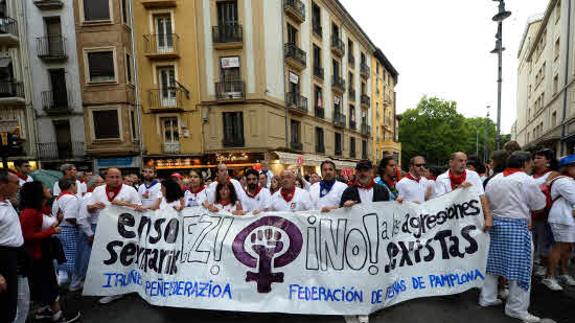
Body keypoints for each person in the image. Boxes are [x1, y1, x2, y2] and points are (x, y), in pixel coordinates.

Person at [479, 151, 545, 323]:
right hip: (516, 227)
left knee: (492, 265)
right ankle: (516, 308)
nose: (532, 166)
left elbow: (488, 201)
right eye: (531, 163)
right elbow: (539, 205)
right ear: (524, 164)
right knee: (521, 269)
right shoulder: (526, 180)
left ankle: (487, 297)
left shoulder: (495, 179)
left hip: (496, 226)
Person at [20, 182, 80, 323]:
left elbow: (45, 227)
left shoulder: (43, 208)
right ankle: (59, 316)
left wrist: (56, 223)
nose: (49, 189)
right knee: (48, 283)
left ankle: (44, 311)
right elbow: (28, 236)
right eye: (45, 188)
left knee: (46, 282)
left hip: (46, 251)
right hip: (38, 254)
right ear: (38, 193)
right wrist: (52, 231)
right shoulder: (29, 213)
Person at [340, 160, 389, 323]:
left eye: (366, 170)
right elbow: (339, 217)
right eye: (360, 170)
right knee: (353, 275)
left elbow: (389, 213)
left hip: (375, 241)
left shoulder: (382, 191)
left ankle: (363, 308)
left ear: (372, 172)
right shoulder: (348, 191)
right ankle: (351, 307)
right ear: (356, 172)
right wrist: (344, 207)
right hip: (354, 241)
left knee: (370, 275)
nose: (363, 173)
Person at [86, 167, 142, 304]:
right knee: (107, 259)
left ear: (122, 177)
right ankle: (110, 288)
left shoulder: (130, 190)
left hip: (124, 231)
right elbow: (88, 208)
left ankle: (123, 288)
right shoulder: (98, 190)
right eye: (112, 177)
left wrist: (123, 204)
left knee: (124, 259)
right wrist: (93, 207)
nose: (115, 180)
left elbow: (139, 208)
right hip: (104, 231)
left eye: (118, 177)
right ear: (106, 178)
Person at [542, 154, 575, 291]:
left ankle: (564, 273)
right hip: (561, 218)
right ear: (567, 168)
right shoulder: (563, 181)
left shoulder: (569, 180)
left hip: (568, 218)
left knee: (567, 248)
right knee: (558, 247)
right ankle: (550, 277)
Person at [531, 149, 560, 277]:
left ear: (548, 160)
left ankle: (544, 267)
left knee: (544, 243)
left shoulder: (553, 174)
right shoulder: (530, 175)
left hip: (544, 215)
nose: (535, 160)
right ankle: (530, 265)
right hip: (530, 215)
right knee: (530, 243)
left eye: (539, 158)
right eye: (535, 158)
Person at [0, 170, 24, 323]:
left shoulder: (8, 202)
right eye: (16, 183)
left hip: (16, 255)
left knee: (15, 300)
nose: (19, 186)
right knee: (5, 304)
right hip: (3, 258)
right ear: (2, 185)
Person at [52, 179, 82, 290]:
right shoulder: (71, 198)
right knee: (74, 257)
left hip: (59, 229)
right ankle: (74, 284)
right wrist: (79, 225)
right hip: (69, 229)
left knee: (64, 256)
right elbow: (70, 217)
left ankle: (65, 279)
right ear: (72, 185)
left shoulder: (57, 198)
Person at [76, 175, 104, 284]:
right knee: (88, 258)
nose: (104, 185)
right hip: (92, 229)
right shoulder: (89, 197)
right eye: (101, 183)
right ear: (94, 185)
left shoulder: (96, 196)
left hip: (96, 229)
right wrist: (90, 234)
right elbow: (82, 218)